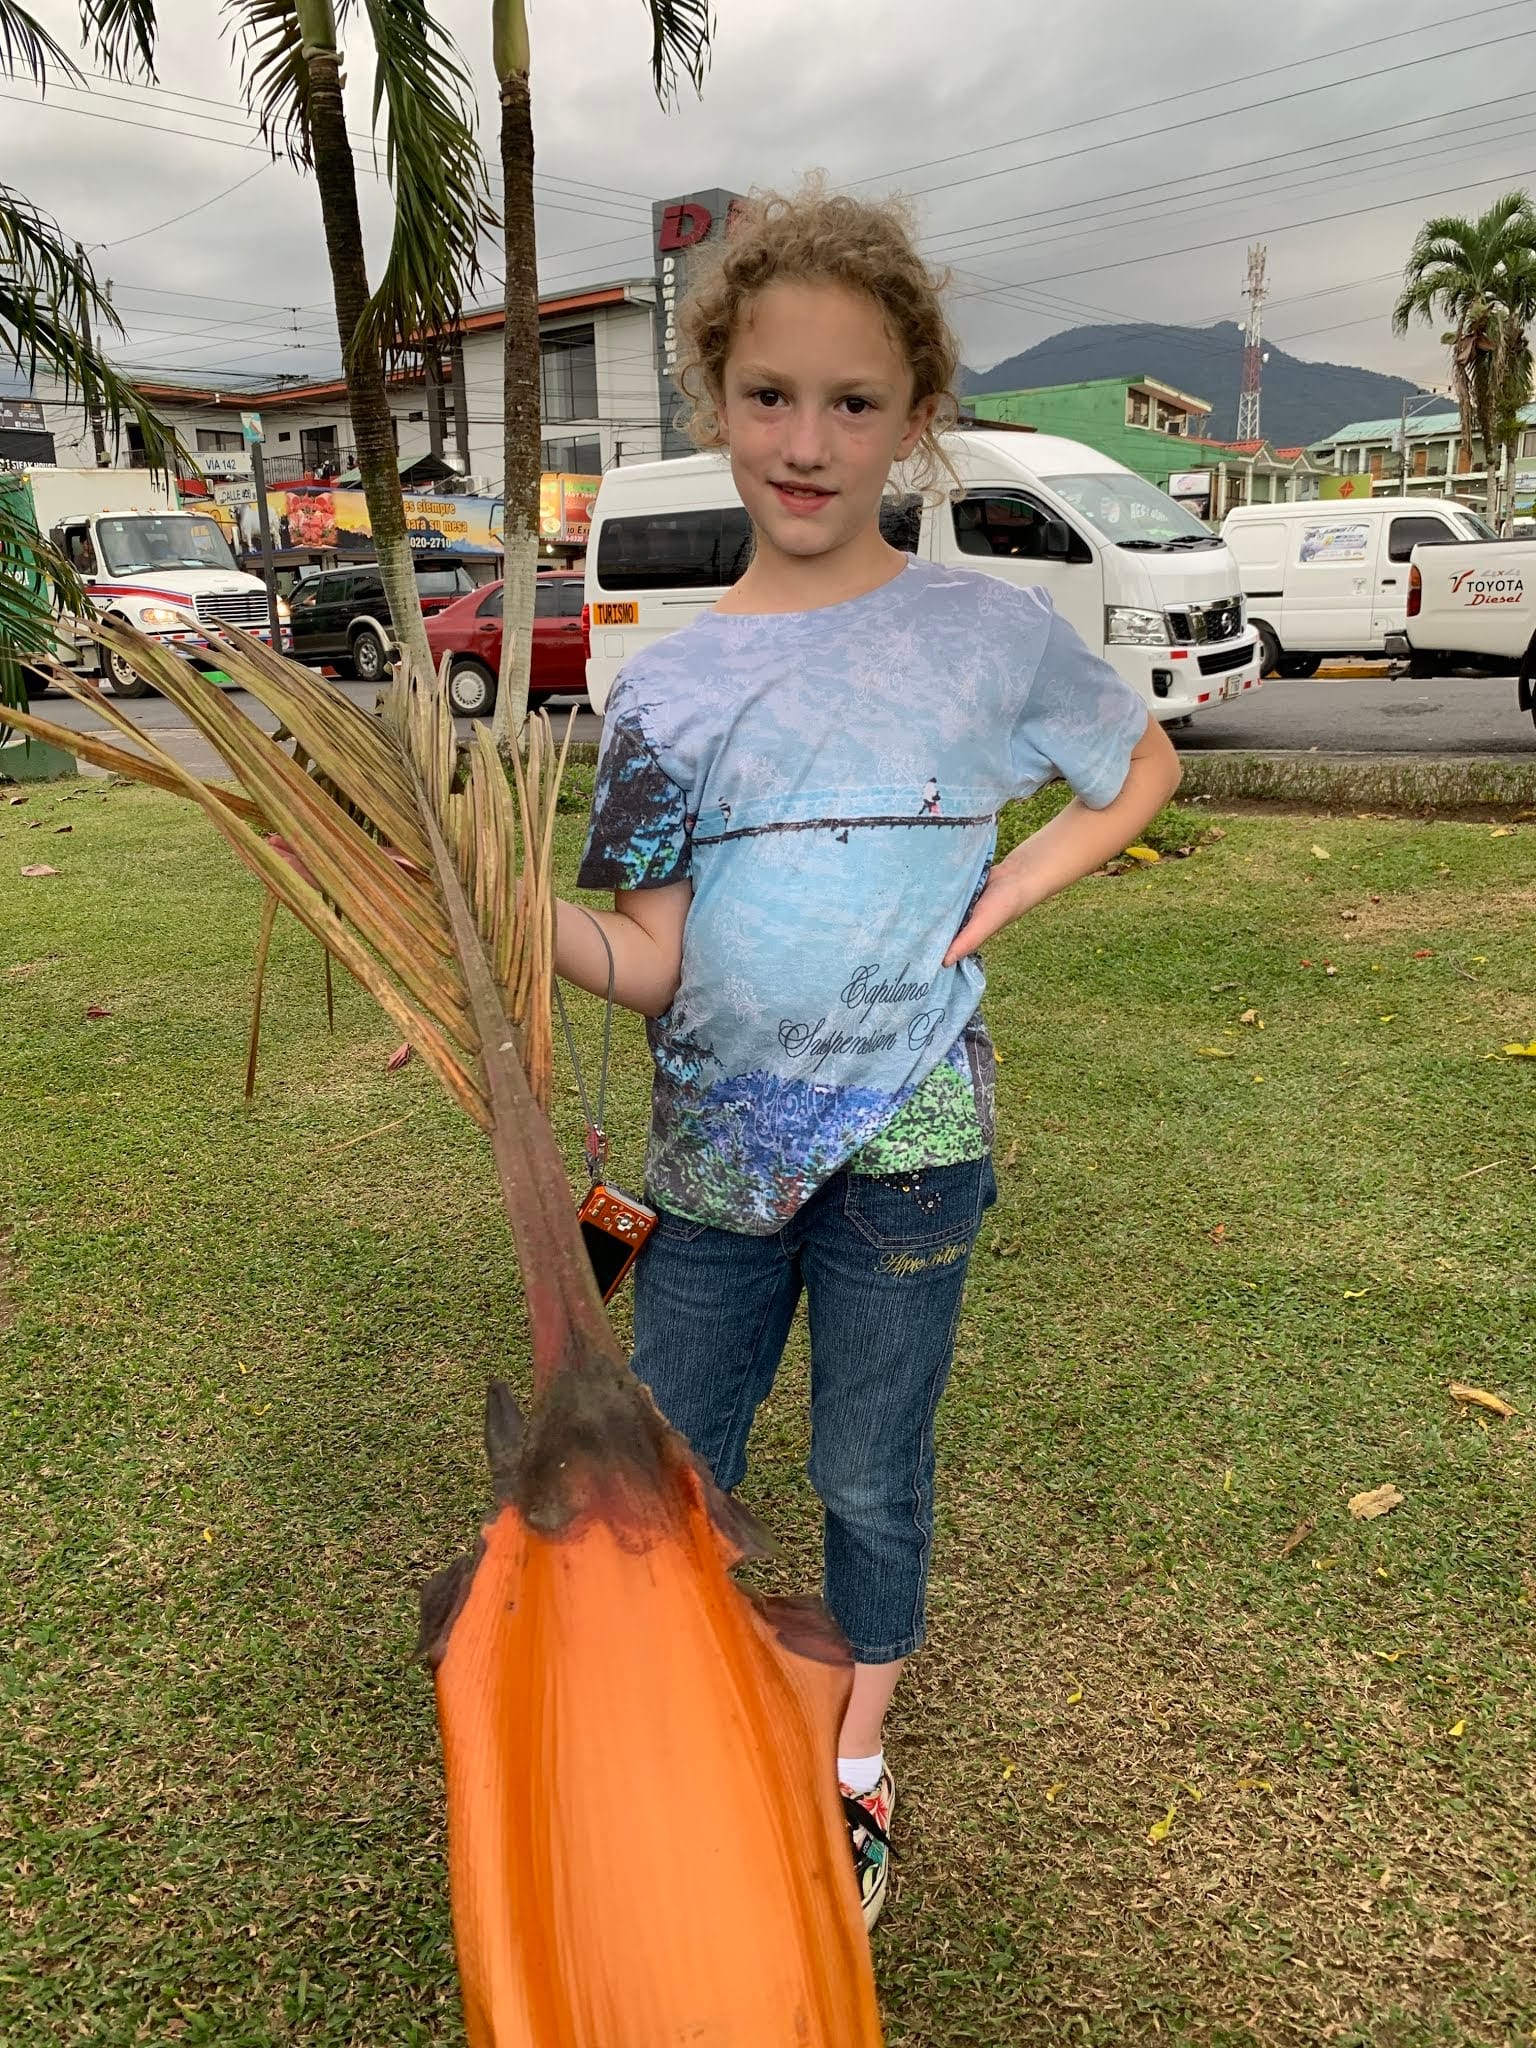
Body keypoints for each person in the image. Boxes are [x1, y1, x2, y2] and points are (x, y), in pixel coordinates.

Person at [554, 182, 1181, 1930]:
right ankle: (692, 1715)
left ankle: (848, 1758)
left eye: (853, 402)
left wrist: (1017, 879)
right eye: (770, 396)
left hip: (913, 1144)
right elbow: (653, 958)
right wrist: (511, 922)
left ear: (917, 416)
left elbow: (1137, 767)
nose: (808, 441)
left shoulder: (979, 635)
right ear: (714, 400)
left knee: (867, 1469)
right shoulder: (662, 697)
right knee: (679, 1455)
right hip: (710, 1159)